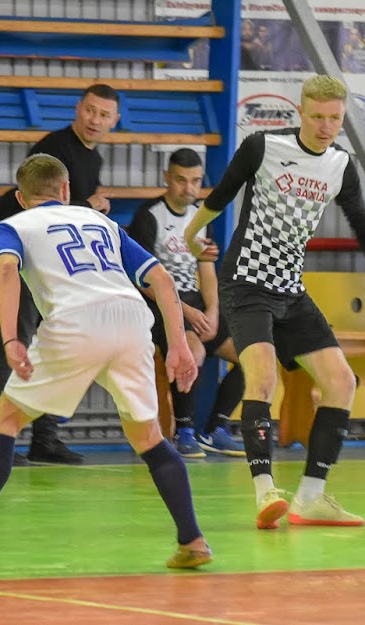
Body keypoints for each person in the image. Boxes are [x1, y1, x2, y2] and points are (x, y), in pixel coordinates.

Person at [0, 154, 211, 569]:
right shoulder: (102, 222)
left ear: (21, 198)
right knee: (149, 436)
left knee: (4, 420)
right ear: (65, 191)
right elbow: (163, 281)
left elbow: (6, 273)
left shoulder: (15, 224)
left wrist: (10, 338)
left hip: (76, 322)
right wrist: (179, 346)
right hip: (132, 319)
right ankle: (193, 541)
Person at [183, 74, 365, 529]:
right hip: (245, 282)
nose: (325, 126)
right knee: (260, 379)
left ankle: (311, 498)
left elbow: (362, 224)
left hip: (290, 289)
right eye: (317, 116)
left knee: (341, 382)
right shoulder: (263, 147)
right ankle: (265, 494)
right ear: (301, 112)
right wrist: (189, 233)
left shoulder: (340, 164)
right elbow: (221, 196)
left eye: (335, 118)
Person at [0, 83, 120, 464]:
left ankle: (45, 438)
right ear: (77, 109)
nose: (95, 119)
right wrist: (90, 206)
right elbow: (44, 216)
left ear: (114, 121)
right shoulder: (52, 149)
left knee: (60, 346)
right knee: (13, 345)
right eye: (90, 110)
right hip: (17, 267)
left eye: (104, 114)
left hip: (51, 272)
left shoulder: (93, 160)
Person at [127, 148, 246, 458]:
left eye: (195, 181)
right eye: (181, 180)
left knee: (252, 354)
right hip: (157, 304)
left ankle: (216, 430)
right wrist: (186, 311)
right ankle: (185, 431)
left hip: (194, 302)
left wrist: (213, 311)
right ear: (168, 178)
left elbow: (206, 268)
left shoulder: (199, 216)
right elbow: (143, 280)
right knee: (191, 352)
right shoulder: (148, 216)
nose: (189, 189)